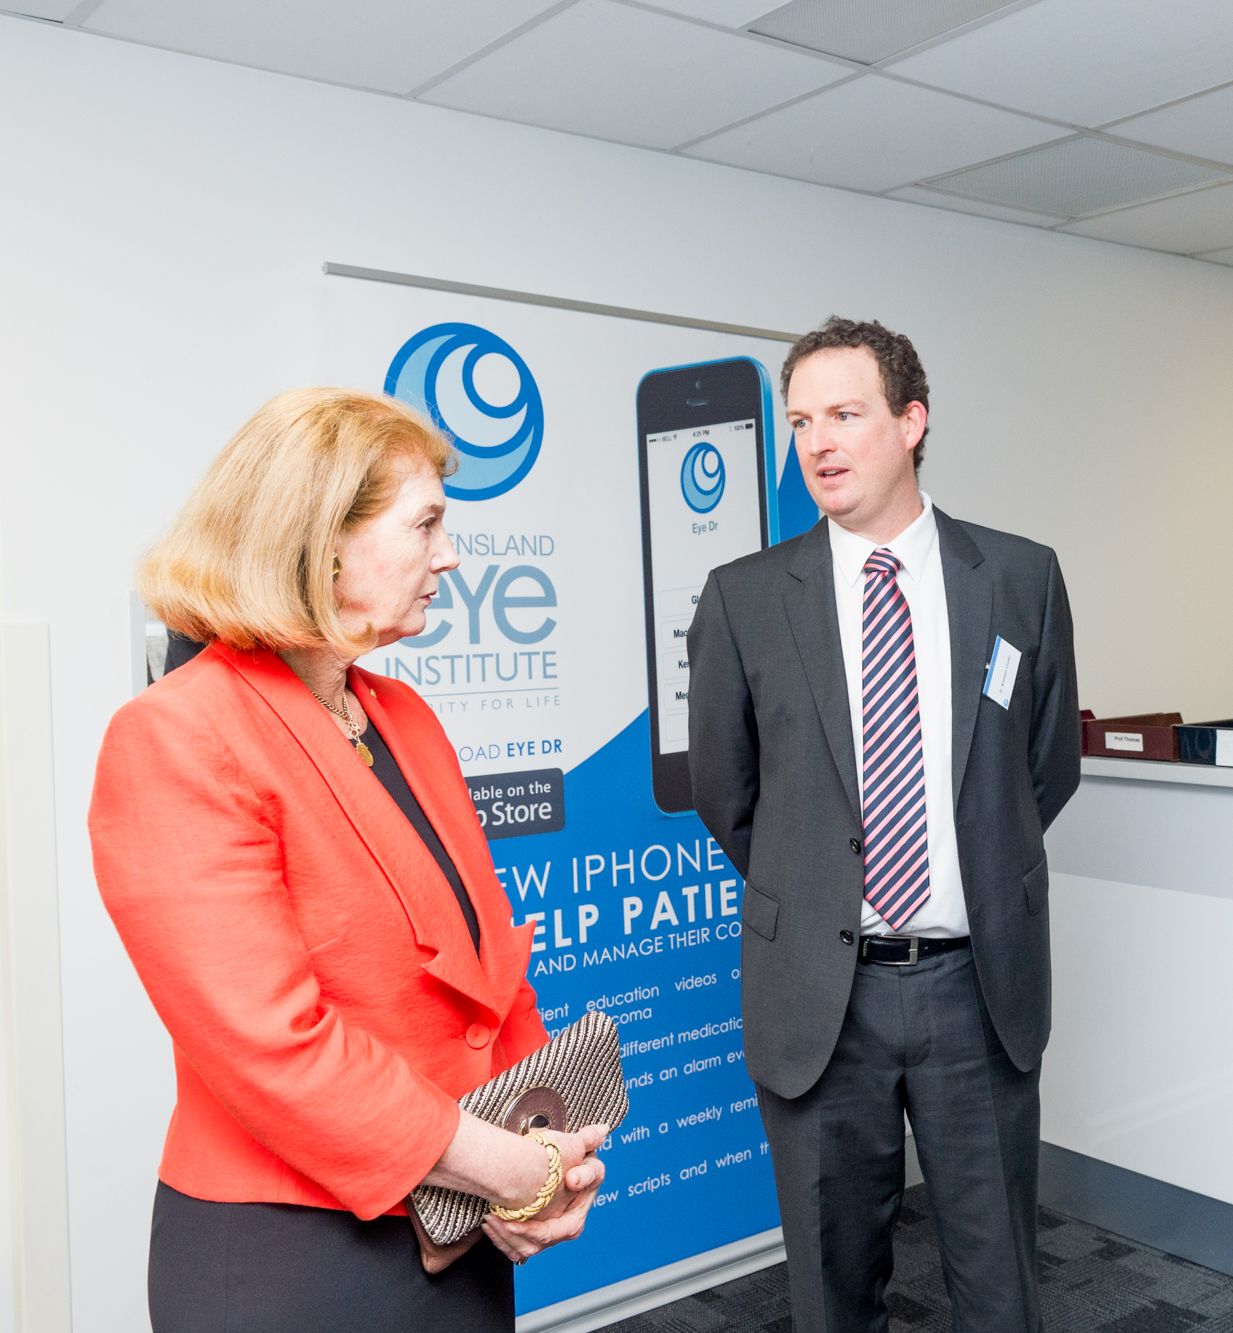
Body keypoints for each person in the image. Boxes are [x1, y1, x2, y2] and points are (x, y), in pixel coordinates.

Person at [90, 388, 607, 1333]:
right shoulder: (174, 735)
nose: (450, 554)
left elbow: (487, 956)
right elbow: (269, 1043)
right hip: (295, 1252)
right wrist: (498, 1167)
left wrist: (542, 1142)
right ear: (325, 541)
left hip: (454, 1223)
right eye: (426, 524)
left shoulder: (403, 716)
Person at [688, 318, 1081, 1333]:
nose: (818, 442)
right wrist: (818, 879)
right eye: (801, 420)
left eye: (846, 415)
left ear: (910, 422)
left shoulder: (1019, 578)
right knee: (832, 1288)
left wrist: (963, 869)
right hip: (823, 998)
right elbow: (728, 797)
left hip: (974, 986)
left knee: (998, 1286)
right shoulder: (743, 600)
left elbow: (1041, 770)